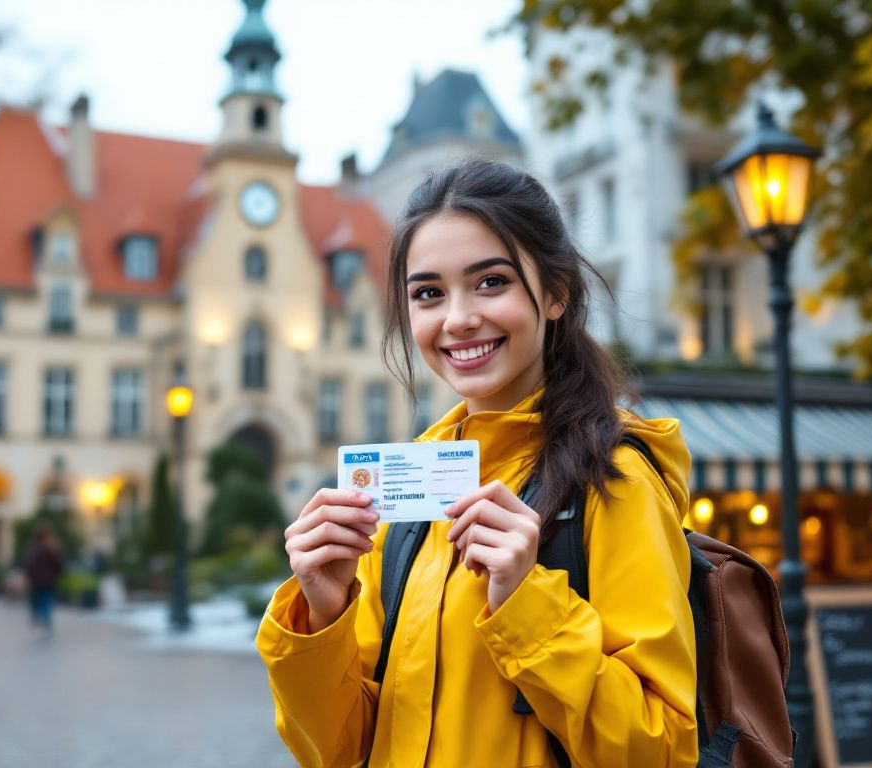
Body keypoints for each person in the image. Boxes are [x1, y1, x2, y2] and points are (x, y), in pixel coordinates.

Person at [257, 159, 699, 766]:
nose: (458, 317)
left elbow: (665, 750)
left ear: (555, 293)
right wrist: (324, 614)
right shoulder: (407, 497)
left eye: (491, 281)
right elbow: (335, 748)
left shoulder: (616, 481)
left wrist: (527, 604)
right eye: (429, 293)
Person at [22, 525, 63, 635]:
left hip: (36, 580)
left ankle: (37, 619)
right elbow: (58, 564)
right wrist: (57, 575)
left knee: (36, 601)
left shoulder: (32, 549)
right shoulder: (51, 549)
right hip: (48, 580)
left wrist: (28, 577)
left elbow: (27, 565)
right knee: (46, 601)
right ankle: (46, 620)